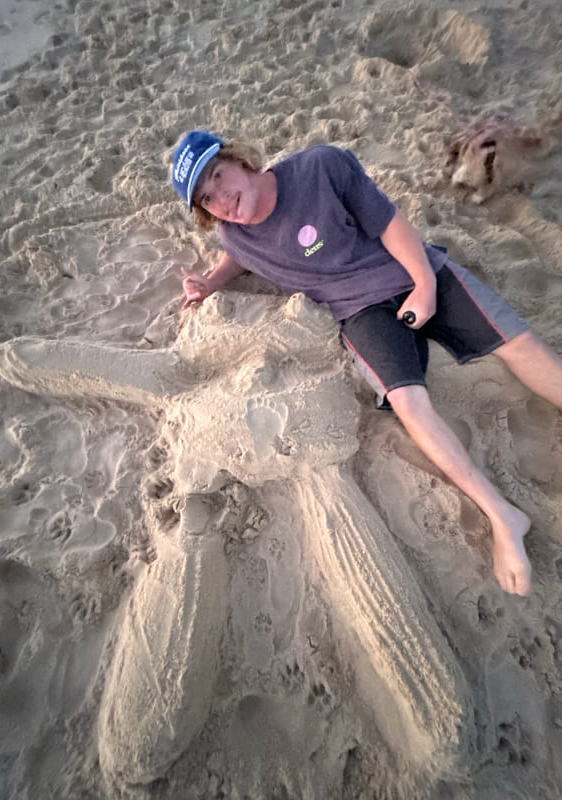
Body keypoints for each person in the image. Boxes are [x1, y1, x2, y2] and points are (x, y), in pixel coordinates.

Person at [172, 129, 562, 597]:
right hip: (361, 314)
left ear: (239, 160)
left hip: (413, 269)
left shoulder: (322, 166)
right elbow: (235, 255)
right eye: (207, 198)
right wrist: (210, 284)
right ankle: (502, 516)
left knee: (517, 343)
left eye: (218, 175)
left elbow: (390, 223)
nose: (222, 198)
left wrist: (423, 284)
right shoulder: (236, 234)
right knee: (410, 406)